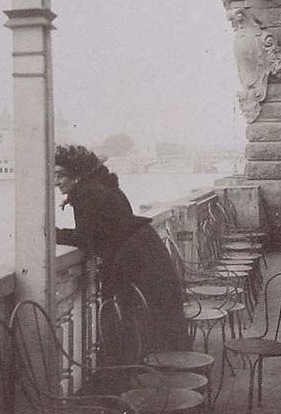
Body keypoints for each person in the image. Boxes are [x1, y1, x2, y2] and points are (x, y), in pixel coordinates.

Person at [55, 144, 189, 357]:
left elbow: (85, 238)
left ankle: (139, 370)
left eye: (61, 175)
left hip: (133, 258)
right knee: (155, 318)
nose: (56, 182)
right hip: (146, 250)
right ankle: (164, 367)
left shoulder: (85, 194)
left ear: (77, 174)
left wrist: (53, 233)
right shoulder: (101, 187)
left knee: (132, 318)